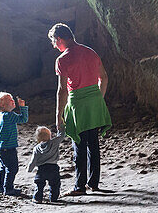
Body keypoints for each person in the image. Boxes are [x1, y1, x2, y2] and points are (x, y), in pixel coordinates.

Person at [48, 23, 111, 195]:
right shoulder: (91, 52)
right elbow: (104, 78)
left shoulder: (62, 59)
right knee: (94, 143)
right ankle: (94, 183)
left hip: (78, 104)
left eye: (54, 42)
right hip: (94, 102)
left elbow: (62, 91)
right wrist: (99, 98)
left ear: (59, 39)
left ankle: (79, 186)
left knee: (79, 144)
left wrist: (58, 115)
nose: (54, 46)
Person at [0, 91, 28, 196]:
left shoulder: (1, 115)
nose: (13, 101)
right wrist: (23, 107)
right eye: (10, 100)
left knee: (4, 167)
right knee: (12, 169)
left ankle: (0, 187)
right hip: (8, 148)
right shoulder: (8, 115)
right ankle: (8, 189)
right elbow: (24, 119)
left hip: (0, 147)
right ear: (3, 105)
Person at [26, 126, 64, 203]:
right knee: (55, 184)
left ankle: (37, 198)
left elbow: (33, 160)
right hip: (53, 168)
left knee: (39, 184)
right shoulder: (54, 142)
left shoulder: (36, 148)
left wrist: (29, 169)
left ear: (38, 139)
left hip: (41, 169)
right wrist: (61, 126)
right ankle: (54, 198)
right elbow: (61, 135)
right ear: (50, 136)